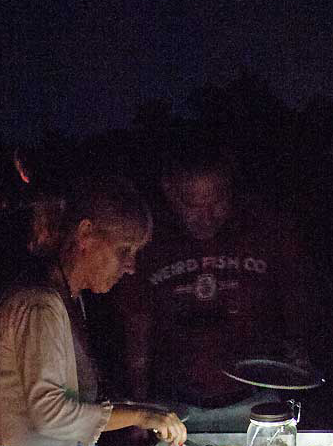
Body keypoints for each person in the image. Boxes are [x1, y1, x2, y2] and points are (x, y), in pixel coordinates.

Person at [0, 175, 185, 446]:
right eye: (124, 250)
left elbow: (75, 393)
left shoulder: (68, 296)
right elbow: (50, 414)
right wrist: (137, 416)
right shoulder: (39, 304)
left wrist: (141, 410)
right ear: (85, 234)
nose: (130, 266)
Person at [118, 138, 315, 428]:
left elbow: (295, 298)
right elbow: (136, 325)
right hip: (177, 403)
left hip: (256, 398)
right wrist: (139, 396)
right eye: (193, 206)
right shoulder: (150, 241)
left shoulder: (261, 230)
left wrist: (298, 352)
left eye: (217, 203)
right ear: (170, 193)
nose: (207, 217)